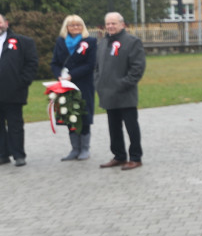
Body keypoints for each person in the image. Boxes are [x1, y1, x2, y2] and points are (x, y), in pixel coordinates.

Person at [96, 12, 147, 170]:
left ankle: (135, 157)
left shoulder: (132, 42)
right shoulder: (103, 43)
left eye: (114, 23)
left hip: (125, 93)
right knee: (113, 127)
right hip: (108, 93)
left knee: (131, 127)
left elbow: (138, 67)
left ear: (122, 24)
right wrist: (97, 82)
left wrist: (123, 84)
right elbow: (97, 67)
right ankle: (118, 156)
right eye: (108, 24)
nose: (110, 26)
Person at [49, 15, 98, 161]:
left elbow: (91, 65)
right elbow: (55, 62)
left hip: (83, 83)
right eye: (72, 25)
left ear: (83, 26)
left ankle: (85, 149)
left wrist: (72, 75)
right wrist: (59, 75)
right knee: (69, 114)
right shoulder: (60, 42)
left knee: (84, 115)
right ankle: (74, 149)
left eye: (78, 25)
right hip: (65, 85)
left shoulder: (90, 42)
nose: (75, 27)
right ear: (67, 27)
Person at [0, 13, 39, 167]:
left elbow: (32, 63)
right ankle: (2, 154)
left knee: (15, 124)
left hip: (14, 91)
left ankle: (18, 155)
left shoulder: (23, 42)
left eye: (0, 22)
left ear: (6, 23)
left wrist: (23, 82)